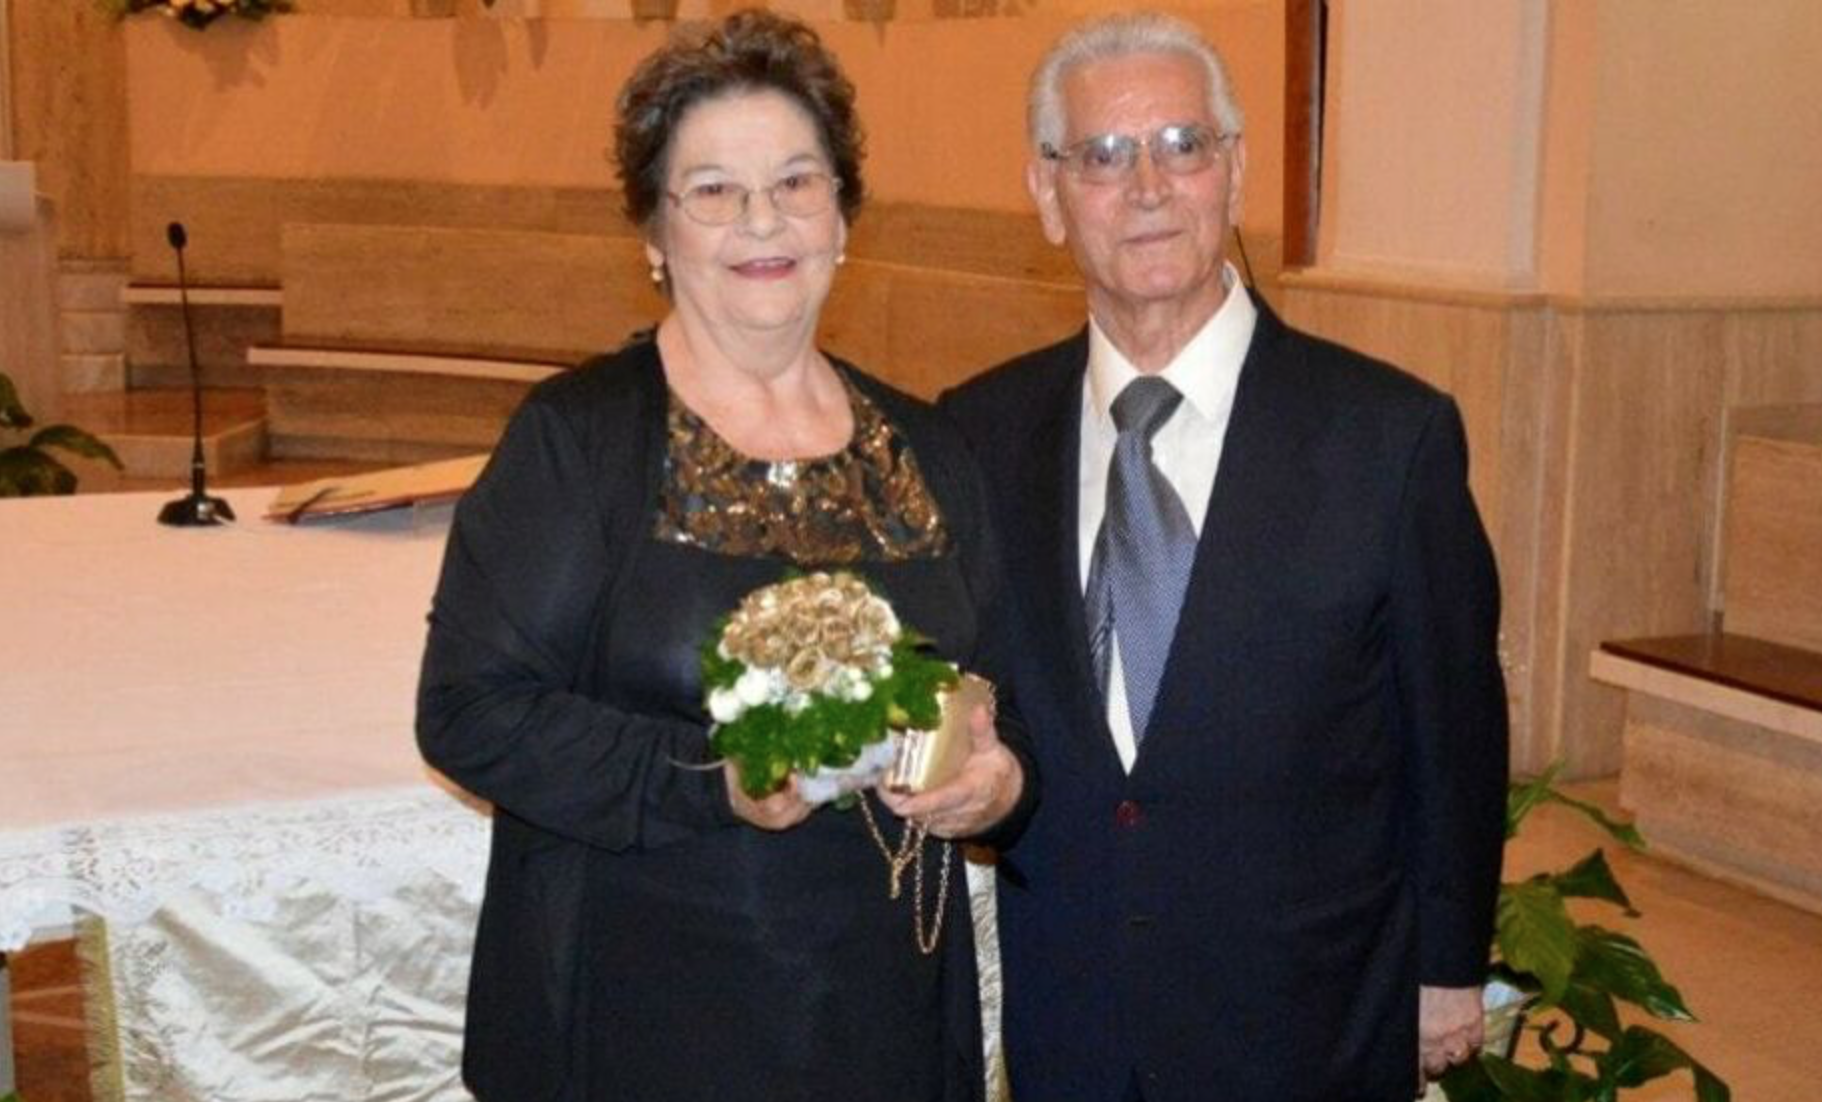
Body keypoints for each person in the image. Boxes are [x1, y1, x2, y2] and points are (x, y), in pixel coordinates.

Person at [416, 12, 1033, 1101]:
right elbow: (471, 710)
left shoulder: (932, 448)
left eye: (796, 182)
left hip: (881, 1013)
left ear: (842, 217)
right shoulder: (580, 439)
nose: (762, 219)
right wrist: (715, 781)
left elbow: (1010, 705)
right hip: (638, 1012)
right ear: (655, 234)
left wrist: (997, 783)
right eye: (713, 190)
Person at [940, 13, 1509, 1102]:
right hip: (1076, 1013)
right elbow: (979, 692)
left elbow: (1452, 722)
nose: (1148, 187)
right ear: (1048, 196)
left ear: (1235, 172)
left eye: (1182, 144)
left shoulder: (1386, 436)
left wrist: (1447, 968)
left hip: (1306, 1013)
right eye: (1104, 156)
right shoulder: (980, 432)